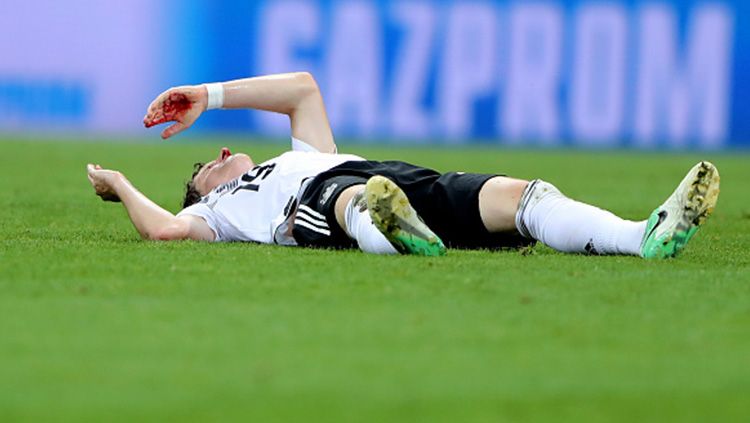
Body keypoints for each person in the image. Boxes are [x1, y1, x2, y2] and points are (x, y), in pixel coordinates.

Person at [87, 72, 720, 259]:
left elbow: (302, 89)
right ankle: (392, 235)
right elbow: (166, 229)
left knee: (523, 194)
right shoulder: (222, 213)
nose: (222, 156)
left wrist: (208, 95)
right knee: (346, 198)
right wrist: (119, 184)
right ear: (201, 194)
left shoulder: (303, 153)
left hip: (395, 177)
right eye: (206, 167)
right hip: (320, 202)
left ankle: (643, 236)